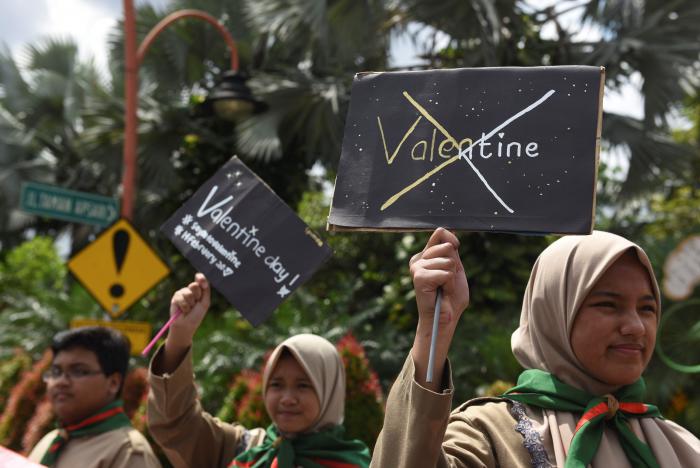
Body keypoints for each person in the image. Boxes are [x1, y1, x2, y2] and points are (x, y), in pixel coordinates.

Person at [371, 228, 700, 467]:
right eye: (608, 305)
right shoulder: (493, 435)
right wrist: (434, 328)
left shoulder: (681, 446)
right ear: (553, 313)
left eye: (646, 308)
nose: (635, 326)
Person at [147, 273, 371, 468]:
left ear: (329, 392)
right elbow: (176, 424)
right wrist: (181, 334)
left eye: (303, 385)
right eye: (276, 384)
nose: (287, 398)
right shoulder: (243, 449)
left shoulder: (352, 464)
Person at [28, 326, 161, 468]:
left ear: (113, 383)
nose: (61, 381)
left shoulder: (128, 451)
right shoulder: (50, 441)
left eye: (78, 371)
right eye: (56, 371)